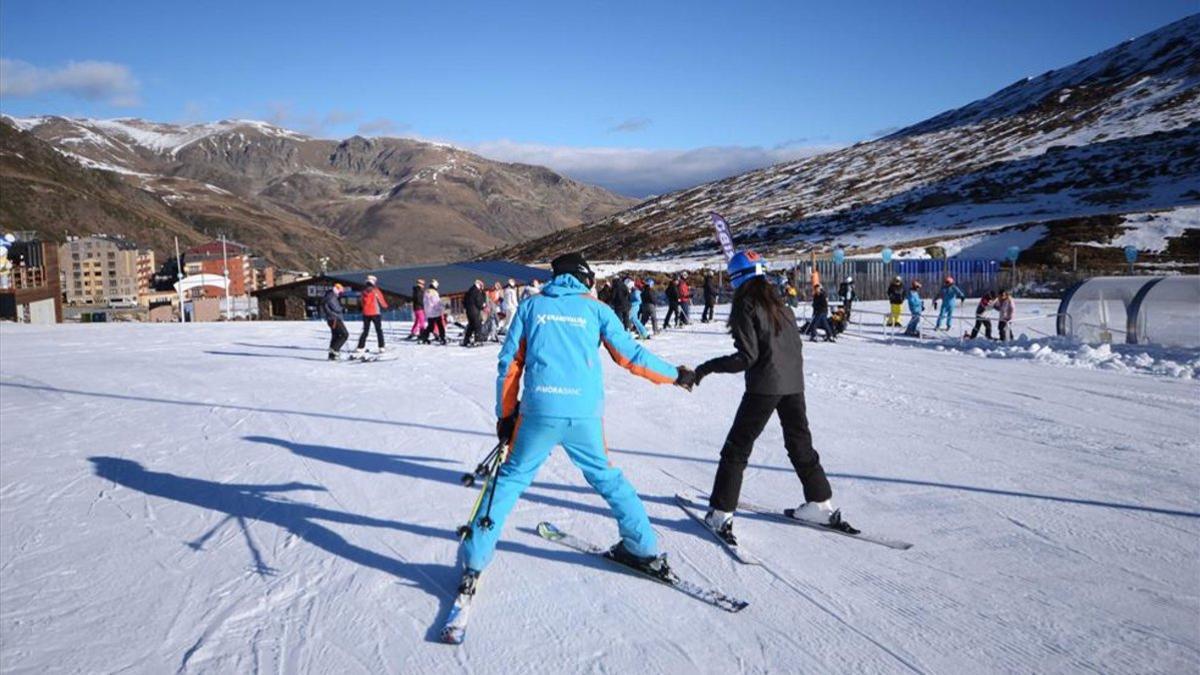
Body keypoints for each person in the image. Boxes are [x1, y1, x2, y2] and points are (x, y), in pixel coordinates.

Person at [456, 252, 694, 596]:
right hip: (583, 415)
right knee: (608, 479)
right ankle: (642, 548)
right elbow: (632, 356)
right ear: (584, 278)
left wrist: (506, 416)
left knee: (508, 481)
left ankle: (475, 559)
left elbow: (509, 366)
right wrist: (676, 376)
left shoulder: (531, 307)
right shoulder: (596, 310)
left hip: (538, 411)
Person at [685, 250, 851, 544]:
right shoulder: (779, 303)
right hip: (793, 384)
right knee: (800, 444)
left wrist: (705, 369)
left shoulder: (746, 304)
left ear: (737, 278)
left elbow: (746, 357)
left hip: (765, 386)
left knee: (736, 448)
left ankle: (721, 513)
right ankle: (821, 504)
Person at [354, 274, 389, 355]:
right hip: (375, 313)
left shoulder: (363, 292)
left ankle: (360, 347)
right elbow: (381, 300)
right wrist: (385, 306)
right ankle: (381, 347)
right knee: (378, 330)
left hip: (366, 313)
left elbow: (361, 302)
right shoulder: (376, 291)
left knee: (365, 331)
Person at [321, 283, 349, 360]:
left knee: (336, 336)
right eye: (340, 292)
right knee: (344, 334)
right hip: (334, 318)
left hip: (331, 318)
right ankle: (334, 349)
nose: (340, 294)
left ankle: (332, 355)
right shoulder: (331, 296)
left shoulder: (329, 295)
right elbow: (335, 308)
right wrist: (342, 309)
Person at [419, 280, 447, 344]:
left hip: (429, 313)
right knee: (440, 326)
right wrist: (442, 308)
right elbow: (437, 303)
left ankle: (424, 337)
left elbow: (425, 303)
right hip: (435, 312)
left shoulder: (426, 292)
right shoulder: (434, 292)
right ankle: (442, 338)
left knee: (430, 326)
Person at [462, 280, 486, 347]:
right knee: (477, 325)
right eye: (481, 286)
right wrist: (483, 305)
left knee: (471, 326)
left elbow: (463, 301)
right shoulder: (477, 292)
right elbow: (479, 303)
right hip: (475, 312)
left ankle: (466, 340)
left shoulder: (469, 291)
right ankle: (477, 340)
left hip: (469, 311)